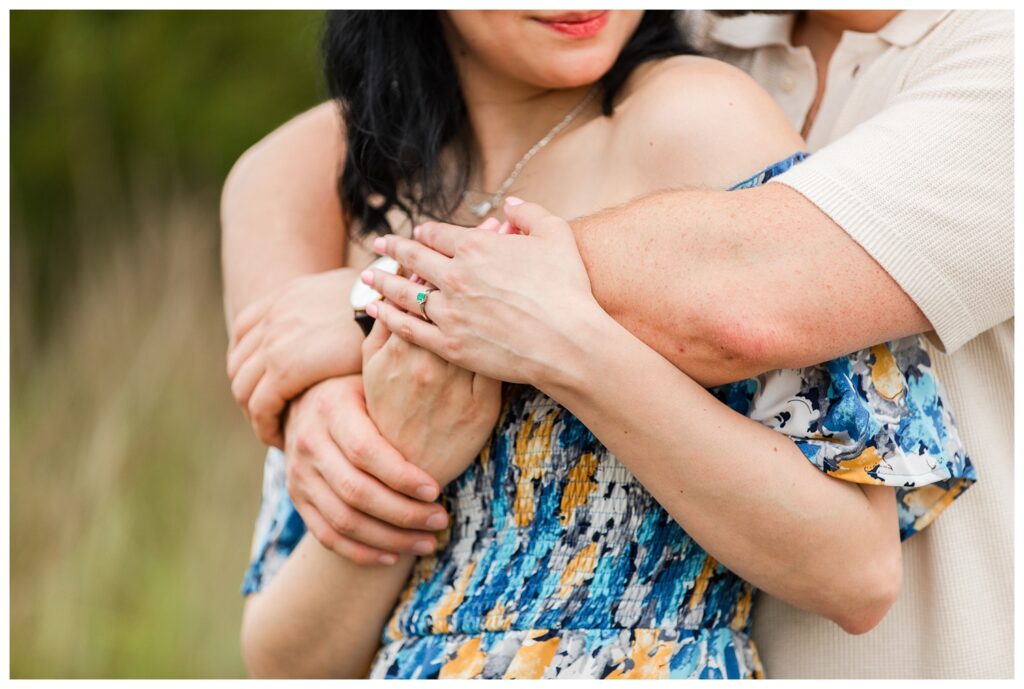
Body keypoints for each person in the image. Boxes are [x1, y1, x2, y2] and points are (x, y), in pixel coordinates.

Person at [222, 9, 1012, 679]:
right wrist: (406, 469)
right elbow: (283, 657)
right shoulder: (348, 189)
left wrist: (546, 338)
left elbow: (858, 565)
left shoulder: (704, 120)